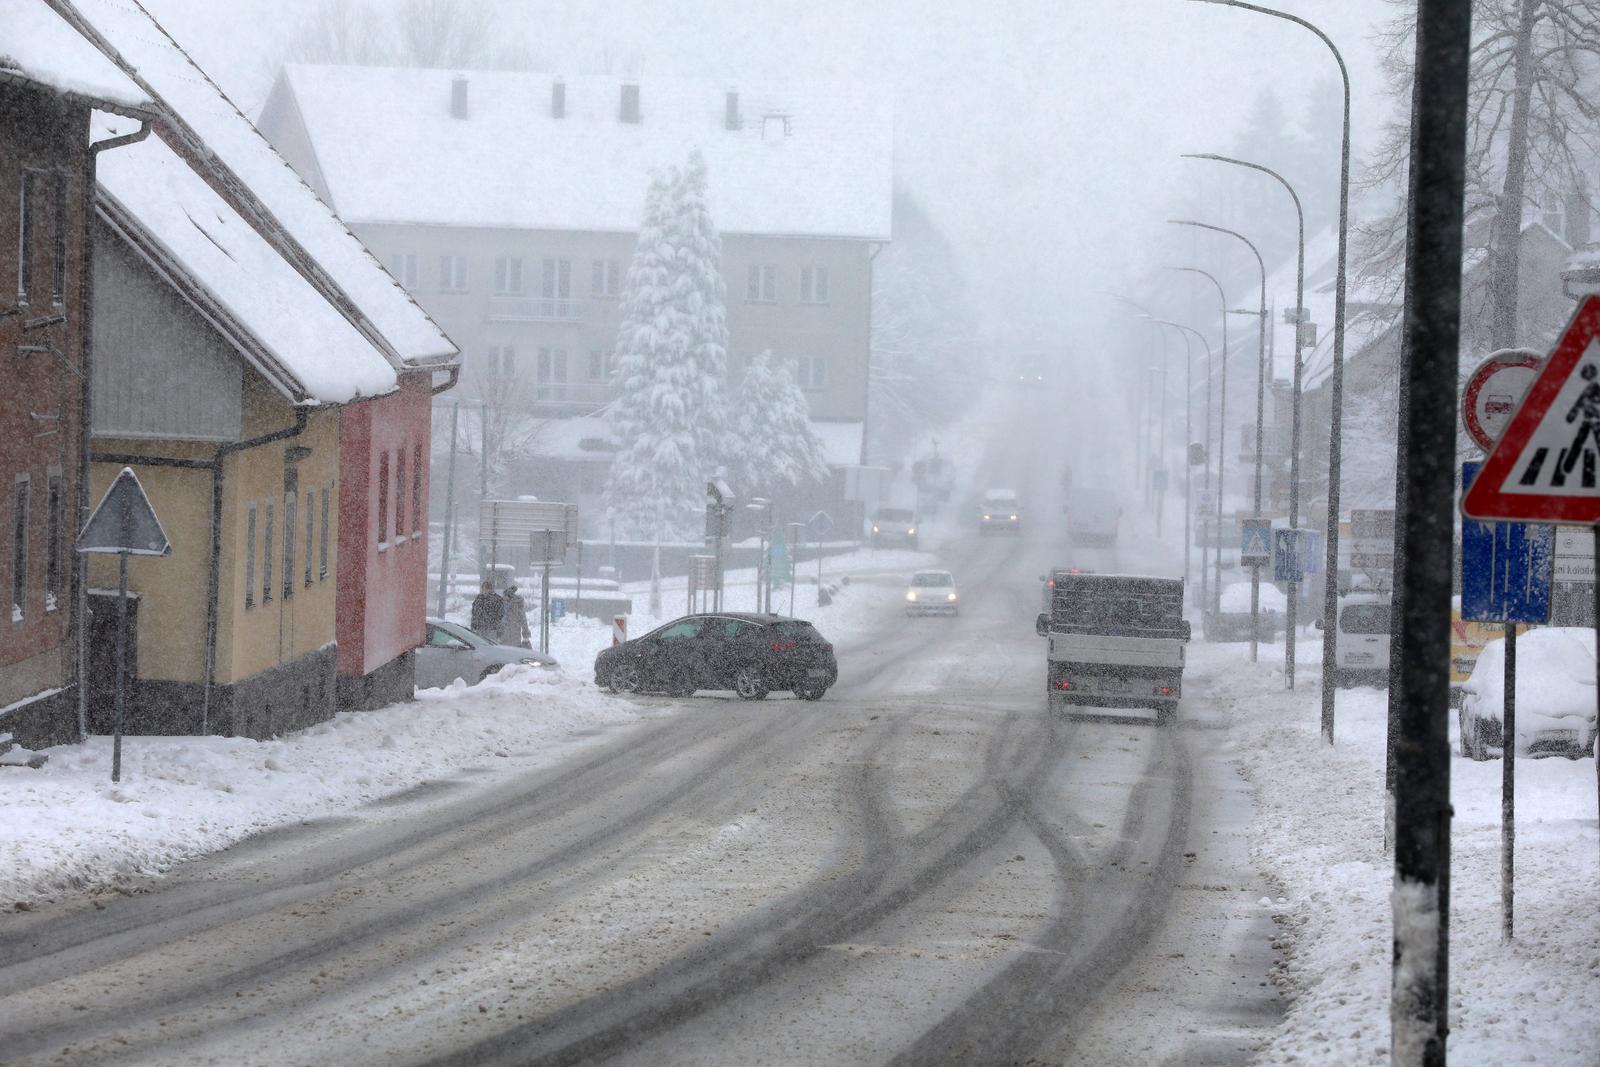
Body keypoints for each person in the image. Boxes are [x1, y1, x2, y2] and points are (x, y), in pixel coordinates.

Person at [500, 583, 532, 648]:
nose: (504, 598)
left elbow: (523, 619)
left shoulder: (517, 604)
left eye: (505, 596)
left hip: (513, 635)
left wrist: (525, 634)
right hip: (505, 635)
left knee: (513, 653)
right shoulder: (503, 604)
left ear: (509, 596)